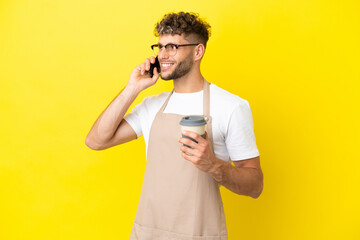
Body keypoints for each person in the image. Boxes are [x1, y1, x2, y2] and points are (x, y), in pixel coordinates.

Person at [85, 11, 263, 240]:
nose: (163, 55)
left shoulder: (231, 106)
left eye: (173, 47)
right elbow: (96, 141)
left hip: (198, 234)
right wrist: (133, 88)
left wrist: (213, 165)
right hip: (148, 233)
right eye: (159, 47)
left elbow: (255, 185)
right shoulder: (151, 106)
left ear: (198, 51)